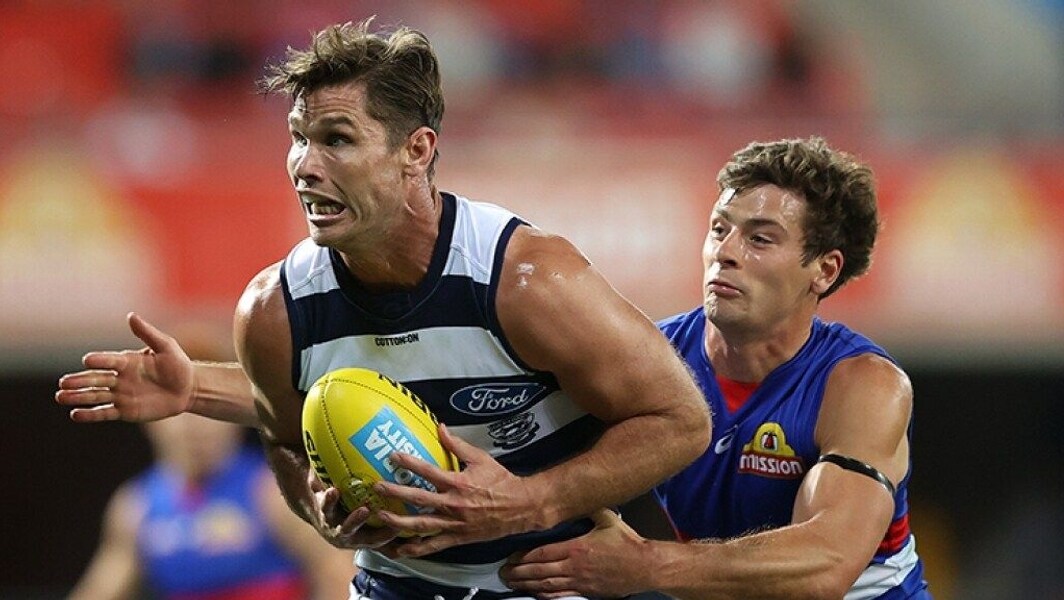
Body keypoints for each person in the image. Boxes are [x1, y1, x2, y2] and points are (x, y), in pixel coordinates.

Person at [56, 19, 711, 600]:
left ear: (415, 151)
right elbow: (286, 440)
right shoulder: (275, 310)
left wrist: (533, 500)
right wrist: (318, 508)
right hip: (390, 586)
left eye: (336, 139)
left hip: (550, 582)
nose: (305, 166)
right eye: (298, 138)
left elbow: (680, 420)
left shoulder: (525, 279)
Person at [502, 137, 932, 599]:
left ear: (824, 271)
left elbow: (823, 568)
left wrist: (642, 564)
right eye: (719, 229)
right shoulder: (652, 358)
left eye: (760, 239)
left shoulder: (864, 384)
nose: (726, 251)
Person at [69, 327, 354, 600]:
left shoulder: (273, 492)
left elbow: (339, 576)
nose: (196, 426)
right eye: (181, 412)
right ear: (149, 419)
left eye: (207, 411)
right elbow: (101, 591)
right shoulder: (137, 507)